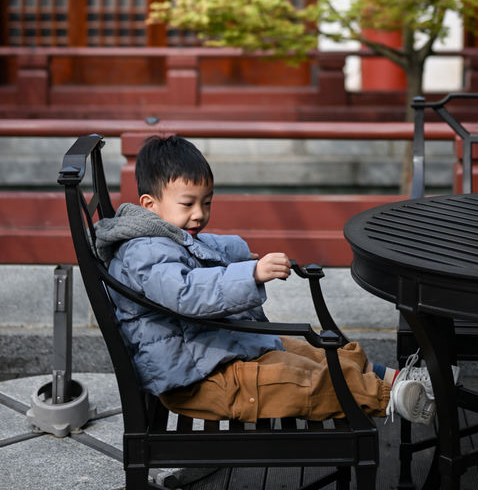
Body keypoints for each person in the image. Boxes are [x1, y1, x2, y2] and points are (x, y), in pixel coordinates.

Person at [94, 134, 444, 425]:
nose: (199, 214)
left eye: (207, 203)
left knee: (313, 349)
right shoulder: (144, 252)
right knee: (301, 378)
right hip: (198, 378)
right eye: (188, 204)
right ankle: (393, 396)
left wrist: (243, 256)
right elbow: (186, 294)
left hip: (212, 347)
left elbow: (206, 249)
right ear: (149, 204)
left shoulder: (165, 234)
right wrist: (250, 272)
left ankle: (394, 376)